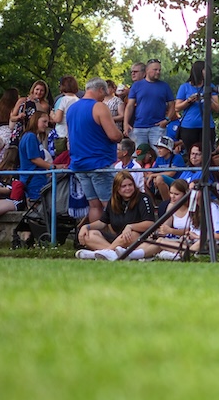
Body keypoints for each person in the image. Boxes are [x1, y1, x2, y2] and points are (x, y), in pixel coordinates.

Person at [64, 79, 124, 225]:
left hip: (79, 164)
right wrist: (121, 134)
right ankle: (117, 238)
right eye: (104, 94)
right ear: (101, 90)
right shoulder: (99, 107)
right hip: (99, 163)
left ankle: (96, 237)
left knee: (94, 205)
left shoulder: (72, 108)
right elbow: (114, 136)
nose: (104, 98)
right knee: (110, 204)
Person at [75, 172, 157, 260]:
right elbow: (102, 222)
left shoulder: (143, 198)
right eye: (124, 186)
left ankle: (106, 252)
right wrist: (86, 227)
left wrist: (130, 227)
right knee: (88, 234)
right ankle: (115, 254)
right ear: (117, 188)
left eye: (130, 185)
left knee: (130, 235)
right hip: (117, 239)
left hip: (136, 238)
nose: (128, 188)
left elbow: (150, 223)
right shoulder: (114, 201)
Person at [125, 59, 173, 148]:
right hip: (140, 126)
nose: (158, 72)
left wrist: (167, 120)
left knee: (160, 153)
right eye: (155, 70)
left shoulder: (164, 86)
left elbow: (172, 105)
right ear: (147, 70)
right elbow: (130, 106)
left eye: (159, 70)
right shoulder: (136, 85)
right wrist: (126, 123)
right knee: (139, 154)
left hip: (158, 127)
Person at [173, 61, 210, 151]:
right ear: (199, 71)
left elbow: (217, 108)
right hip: (189, 126)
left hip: (207, 125)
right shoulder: (184, 87)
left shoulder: (209, 86)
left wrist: (207, 99)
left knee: (206, 152)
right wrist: (189, 101)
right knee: (191, 153)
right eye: (205, 70)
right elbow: (177, 107)